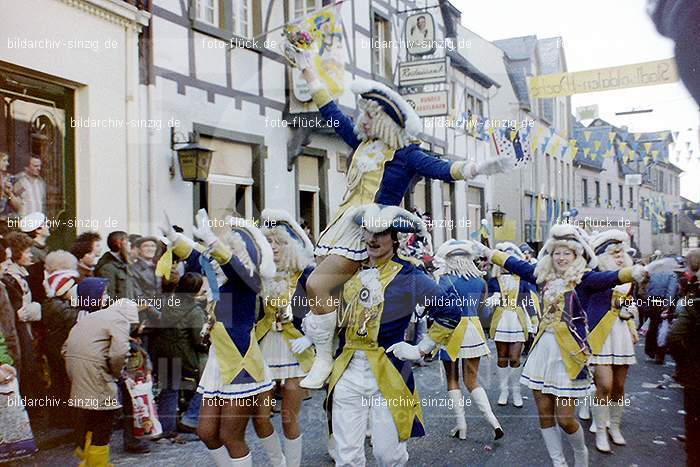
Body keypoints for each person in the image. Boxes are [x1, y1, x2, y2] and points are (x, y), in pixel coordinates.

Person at [285, 46, 512, 389]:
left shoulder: (406, 155)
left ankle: (323, 356)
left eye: (368, 115)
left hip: (373, 229)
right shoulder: (361, 143)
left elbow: (442, 169)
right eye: (362, 114)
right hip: (344, 226)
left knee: (318, 284)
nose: (361, 120)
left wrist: (481, 167)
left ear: (385, 120)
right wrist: (306, 68)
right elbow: (330, 110)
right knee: (321, 289)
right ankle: (334, 350)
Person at [477, 224, 647, 467]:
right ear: (550, 254)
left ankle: (580, 453)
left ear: (577, 255)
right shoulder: (542, 275)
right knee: (545, 413)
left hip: (570, 355)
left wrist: (634, 272)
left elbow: (611, 277)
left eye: (567, 253)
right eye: (557, 252)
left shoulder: (585, 279)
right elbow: (516, 265)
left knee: (566, 419)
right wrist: (488, 252)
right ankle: (559, 463)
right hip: (542, 354)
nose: (561, 257)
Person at [324, 204, 461, 466]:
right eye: (369, 231)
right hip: (347, 370)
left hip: (389, 373)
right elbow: (318, 295)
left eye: (382, 232)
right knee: (346, 456)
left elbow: (450, 311)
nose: (373, 239)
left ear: (394, 237)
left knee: (387, 455)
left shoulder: (409, 275)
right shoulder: (349, 270)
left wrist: (422, 348)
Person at [160, 209, 276, 467]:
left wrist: (214, 243)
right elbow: (198, 257)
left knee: (230, 436)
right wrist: (174, 239)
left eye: (220, 252)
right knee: (206, 433)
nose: (211, 260)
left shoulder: (246, 282)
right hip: (217, 363)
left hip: (240, 363)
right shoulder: (219, 280)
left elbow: (233, 267)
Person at [252, 209, 316, 467]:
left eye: (279, 241)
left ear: (289, 245)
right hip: (263, 346)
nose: (274, 246)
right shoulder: (257, 276)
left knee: (290, 417)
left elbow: (324, 310)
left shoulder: (305, 274)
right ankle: (277, 461)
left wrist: (310, 337)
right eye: (268, 242)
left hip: (295, 348)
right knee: (260, 416)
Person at [434, 239, 503, 441]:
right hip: (473, 331)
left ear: (449, 259)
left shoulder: (444, 280)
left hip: (451, 331)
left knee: (453, 379)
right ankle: (494, 422)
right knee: (472, 380)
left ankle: (461, 426)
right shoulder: (480, 281)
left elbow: (438, 309)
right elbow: (484, 313)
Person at [63, 298, 140, 467]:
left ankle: (85, 453)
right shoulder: (120, 319)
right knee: (105, 415)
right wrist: (116, 373)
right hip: (94, 367)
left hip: (74, 363)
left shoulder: (95, 316)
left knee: (90, 411)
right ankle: (98, 463)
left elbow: (65, 346)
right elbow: (119, 353)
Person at [585, 230, 640, 452]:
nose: (619, 256)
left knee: (619, 386)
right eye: (613, 252)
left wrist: (631, 314)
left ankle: (614, 427)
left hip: (621, 333)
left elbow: (630, 301)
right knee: (604, 385)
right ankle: (600, 431)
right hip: (600, 333)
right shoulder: (594, 275)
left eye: (621, 252)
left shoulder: (628, 277)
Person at [150, 272, 207, 439]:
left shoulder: (169, 301)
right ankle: (189, 419)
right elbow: (198, 340)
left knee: (169, 390)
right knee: (204, 383)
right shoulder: (194, 311)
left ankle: (164, 427)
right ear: (196, 291)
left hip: (162, 349)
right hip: (182, 354)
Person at [487, 242, 539, 408]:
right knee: (502, 358)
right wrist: (491, 301)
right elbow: (485, 303)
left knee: (515, 358)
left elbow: (528, 301)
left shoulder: (522, 281)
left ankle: (516, 391)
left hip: (517, 320)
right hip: (501, 319)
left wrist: (534, 319)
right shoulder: (493, 281)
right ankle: (504, 391)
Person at [1, 231, 43, 409]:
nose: (31, 254)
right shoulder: (10, 278)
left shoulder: (20, 275)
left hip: (23, 330)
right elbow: (15, 314)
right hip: (17, 332)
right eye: (27, 251)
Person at [41, 250, 81, 427]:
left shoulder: (50, 290)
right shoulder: (66, 285)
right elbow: (71, 316)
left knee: (58, 381)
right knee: (64, 381)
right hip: (62, 342)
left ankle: (59, 417)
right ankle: (66, 418)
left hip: (53, 341)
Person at [669, 248, 700, 467]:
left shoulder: (693, 293)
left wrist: (682, 362)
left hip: (695, 365)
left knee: (694, 415)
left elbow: (675, 335)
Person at [640, 266, 678, 363]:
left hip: (653, 301)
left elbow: (648, 288)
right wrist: (667, 305)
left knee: (653, 325)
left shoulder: (653, 273)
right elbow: (671, 290)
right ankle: (660, 354)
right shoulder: (672, 274)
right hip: (663, 300)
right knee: (663, 328)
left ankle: (650, 350)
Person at [95, 231, 135, 300]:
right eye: (127, 241)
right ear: (119, 243)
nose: (130, 244)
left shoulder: (124, 265)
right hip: (118, 310)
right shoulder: (107, 267)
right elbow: (108, 298)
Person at [131, 236, 162, 302]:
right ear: (139, 250)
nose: (150, 249)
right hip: (145, 310)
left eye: (153, 246)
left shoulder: (159, 267)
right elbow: (138, 297)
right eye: (145, 246)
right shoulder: (133, 269)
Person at [0, 152, 22, 217]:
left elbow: (19, 207)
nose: (7, 163)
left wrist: (10, 194)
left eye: (7, 161)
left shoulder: (11, 179)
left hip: (7, 221)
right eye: (4, 160)